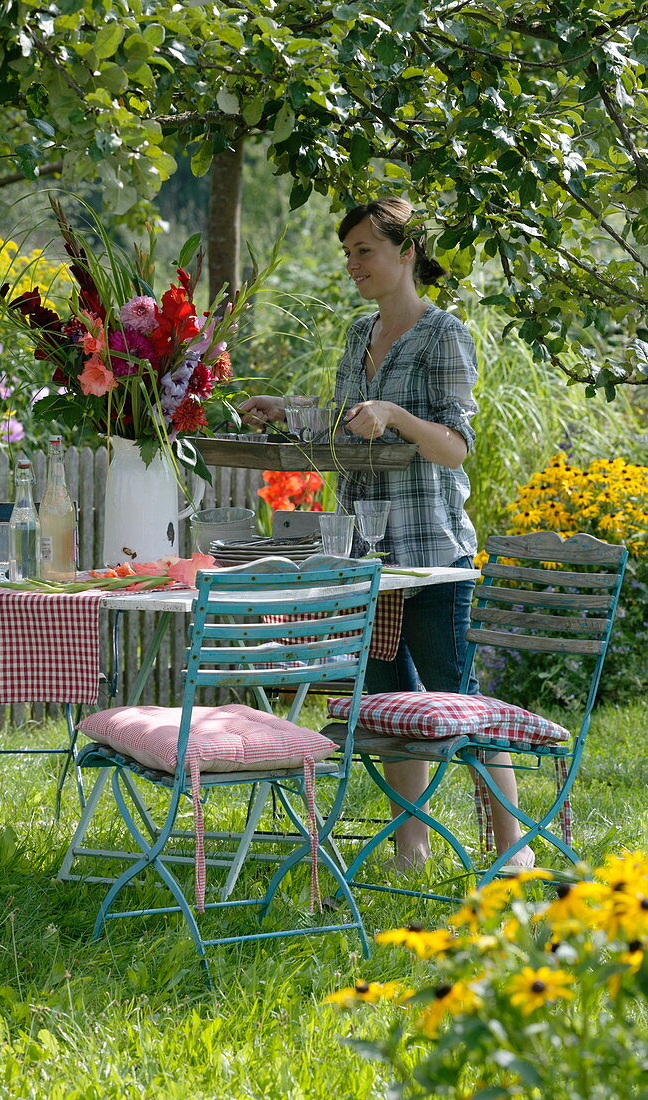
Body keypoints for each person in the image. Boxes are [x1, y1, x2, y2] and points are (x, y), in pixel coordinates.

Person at [241, 197, 534, 871]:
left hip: (432, 556)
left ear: (406, 254)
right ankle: (412, 844)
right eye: (346, 254)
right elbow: (351, 419)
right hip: (367, 557)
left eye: (364, 251)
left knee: (458, 699)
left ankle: (511, 848)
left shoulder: (444, 336)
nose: (352, 265)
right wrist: (287, 409)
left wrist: (396, 413)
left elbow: (456, 448)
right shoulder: (357, 334)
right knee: (390, 704)